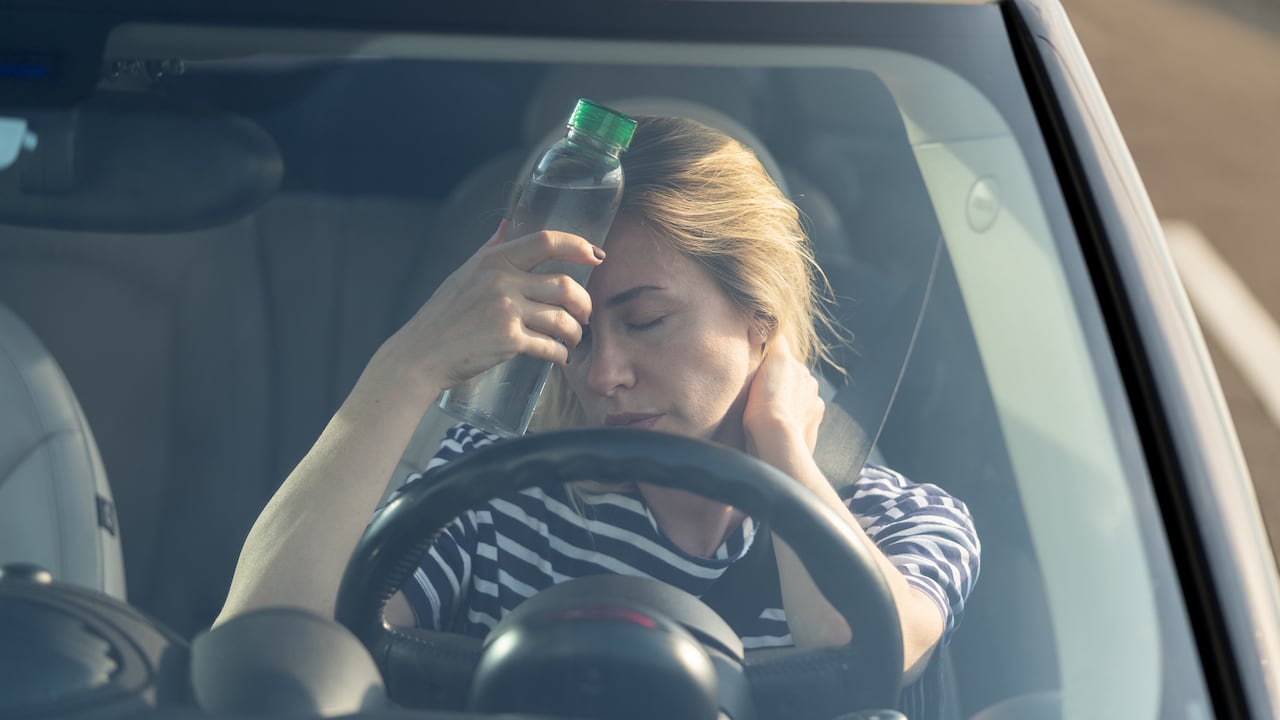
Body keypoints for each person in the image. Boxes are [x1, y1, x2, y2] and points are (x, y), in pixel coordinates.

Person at [217, 115, 980, 714]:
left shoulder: (899, 520)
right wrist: (406, 367)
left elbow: (859, 650)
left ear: (760, 323)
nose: (604, 374)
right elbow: (266, 649)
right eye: (574, 338)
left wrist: (782, 448)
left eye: (646, 321)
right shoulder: (489, 497)